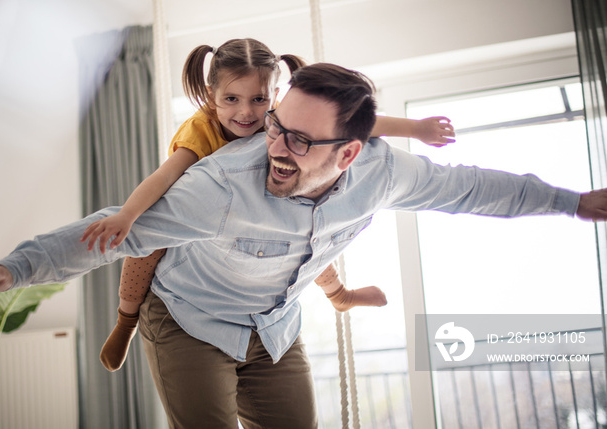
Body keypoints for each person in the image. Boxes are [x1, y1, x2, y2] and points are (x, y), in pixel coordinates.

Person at [0, 62, 605, 429]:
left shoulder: (387, 172)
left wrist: (573, 203)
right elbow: (111, 230)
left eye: (299, 139)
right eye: (275, 126)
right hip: (187, 320)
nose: (272, 146)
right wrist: (16, 267)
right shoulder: (219, 186)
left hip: (275, 328)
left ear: (352, 152)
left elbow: (475, 189)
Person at [82, 38, 456, 372]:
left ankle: (339, 295)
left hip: (262, 212)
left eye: (259, 99)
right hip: (198, 215)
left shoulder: (279, 120)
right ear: (211, 94)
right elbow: (164, 178)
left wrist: (416, 129)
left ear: (275, 95)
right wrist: (128, 214)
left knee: (308, 235)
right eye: (231, 99)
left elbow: (355, 125)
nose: (246, 113)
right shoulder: (201, 130)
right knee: (147, 242)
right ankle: (125, 321)